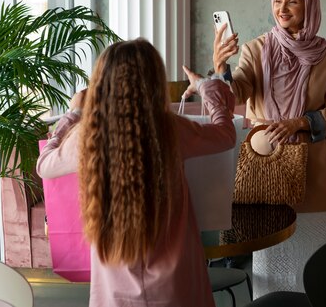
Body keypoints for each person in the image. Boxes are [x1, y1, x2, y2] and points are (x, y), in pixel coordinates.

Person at [36, 38, 236, 307]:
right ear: (153, 83)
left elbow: (44, 165)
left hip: (114, 290)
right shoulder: (170, 130)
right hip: (174, 286)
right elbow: (225, 134)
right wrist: (205, 86)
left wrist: (73, 114)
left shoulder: (89, 137)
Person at [209, 0, 326, 296]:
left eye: (292, 1)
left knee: (320, 262)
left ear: (310, 6)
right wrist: (221, 69)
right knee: (272, 262)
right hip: (265, 170)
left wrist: (299, 123)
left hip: (314, 174)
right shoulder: (256, 49)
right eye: (277, 1)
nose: (282, 9)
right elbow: (236, 95)